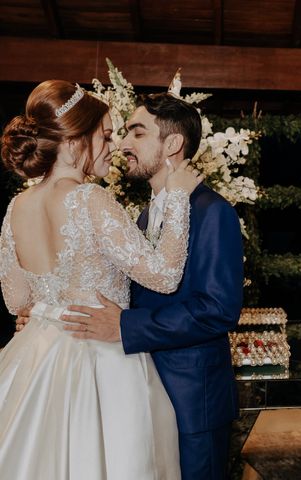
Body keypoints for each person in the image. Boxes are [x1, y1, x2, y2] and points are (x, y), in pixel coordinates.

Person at [0, 80, 203, 479]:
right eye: (106, 135)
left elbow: (16, 299)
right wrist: (178, 197)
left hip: (35, 356)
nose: (114, 146)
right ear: (75, 141)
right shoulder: (89, 199)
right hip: (101, 360)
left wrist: (40, 312)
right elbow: (163, 277)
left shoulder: (15, 207)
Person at [42, 93, 244, 479]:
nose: (122, 144)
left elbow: (217, 309)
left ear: (172, 144)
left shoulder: (213, 212)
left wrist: (125, 327)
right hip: (139, 394)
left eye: (137, 133)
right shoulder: (144, 216)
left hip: (192, 403)